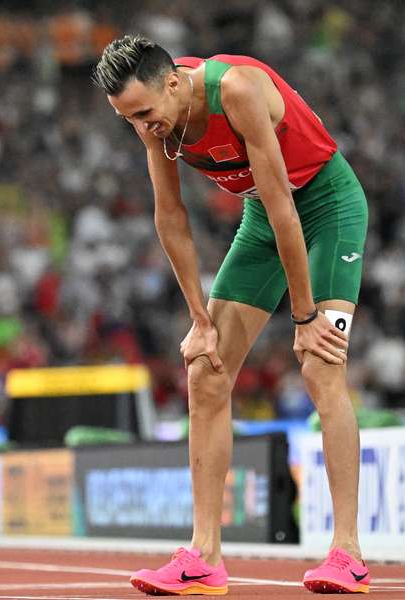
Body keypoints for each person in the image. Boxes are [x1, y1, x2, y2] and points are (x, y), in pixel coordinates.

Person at [94, 35, 369, 595]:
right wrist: (199, 318)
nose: (143, 128)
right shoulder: (155, 121)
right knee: (205, 371)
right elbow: (170, 217)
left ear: (173, 82)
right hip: (265, 221)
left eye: (145, 114)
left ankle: (348, 552)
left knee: (320, 366)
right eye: (129, 120)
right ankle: (203, 556)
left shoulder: (236, 90)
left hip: (325, 207)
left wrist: (304, 316)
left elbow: (285, 207)